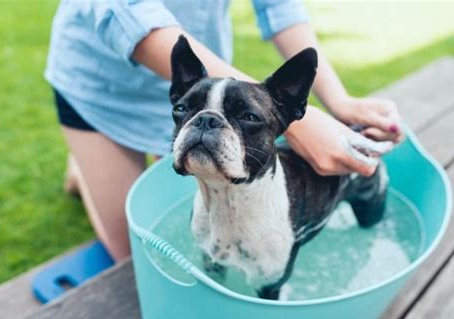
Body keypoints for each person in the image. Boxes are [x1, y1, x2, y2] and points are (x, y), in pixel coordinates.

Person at [45, 0, 404, 261]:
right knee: (136, 259)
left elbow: (278, 5)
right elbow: (126, 13)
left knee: (204, 176)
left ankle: (92, 169)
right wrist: (296, 121)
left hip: (202, 82)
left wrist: (337, 100)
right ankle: (87, 165)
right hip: (104, 88)